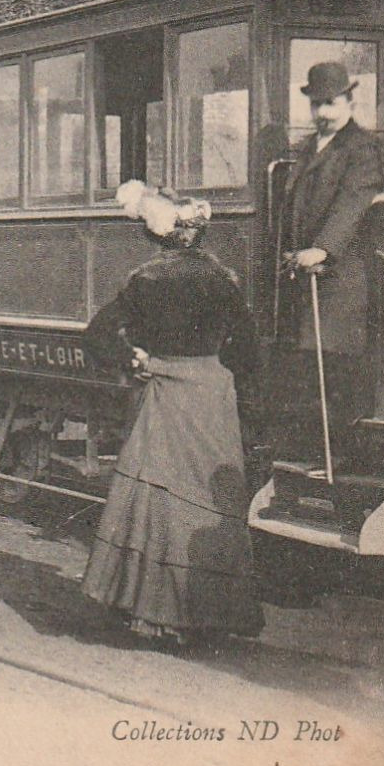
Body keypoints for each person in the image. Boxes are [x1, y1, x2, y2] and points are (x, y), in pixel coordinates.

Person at [82, 182, 264, 646]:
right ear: (201, 235)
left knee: (159, 504)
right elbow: (246, 352)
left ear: (156, 235)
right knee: (210, 503)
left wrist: (136, 360)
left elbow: (97, 337)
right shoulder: (226, 281)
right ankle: (214, 615)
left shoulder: (146, 280)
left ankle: (154, 613)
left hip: (166, 391)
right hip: (212, 397)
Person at [283, 60, 384, 449]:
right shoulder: (308, 148)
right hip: (310, 275)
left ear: (349, 101)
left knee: (337, 366)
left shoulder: (364, 148)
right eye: (316, 105)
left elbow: (353, 201)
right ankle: (319, 454)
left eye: (330, 103)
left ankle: (342, 456)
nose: (323, 113)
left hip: (343, 277)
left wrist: (323, 248)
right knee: (313, 368)